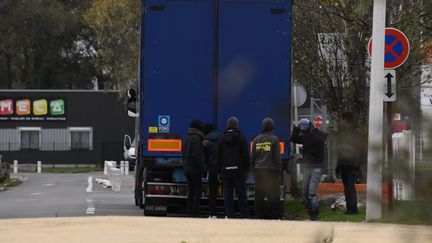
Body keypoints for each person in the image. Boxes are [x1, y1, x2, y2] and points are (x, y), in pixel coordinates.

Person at [290, 118, 327, 220]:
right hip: (308, 167)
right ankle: (311, 210)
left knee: (311, 193)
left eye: (304, 132)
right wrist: (296, 129)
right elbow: (293, 139)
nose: (304, 134)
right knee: (304, 191)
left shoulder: (318, 136)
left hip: (316, 167)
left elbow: (323, 137)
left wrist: (298, 130)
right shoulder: (306, 137)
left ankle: (315, 214)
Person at [217, 117, 250, 218]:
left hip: (226, 172)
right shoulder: (241, 137)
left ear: (228, 125)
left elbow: (219, 156)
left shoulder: (222, 138)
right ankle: (244, 215)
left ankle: (230, 215)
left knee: (228, 195)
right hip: (239, 172)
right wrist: (247, 169)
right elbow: (245, 155)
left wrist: (220, 171)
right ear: (237, 125)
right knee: (241, 195)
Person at [335, 111, 366, 215]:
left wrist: (357, 165)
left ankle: (353, 210)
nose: (340, 121)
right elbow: (341, 151)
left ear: (345, 120)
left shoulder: (357, 133)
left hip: (352, 165)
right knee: (347, 188)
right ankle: (350, 209)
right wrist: (338, 167)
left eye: (341, 119)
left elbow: (360, 150)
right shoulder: (343, 133)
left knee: (350, 187)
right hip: (344, 164)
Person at [251, 118, 282, 219]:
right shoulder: (274, 139)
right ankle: (274, 217)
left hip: (258, 171)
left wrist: (253, 170)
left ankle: (259, 217)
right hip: (270, 171)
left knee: (259, 196)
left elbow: (253, 157)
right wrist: (279, 172)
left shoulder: (256, 140)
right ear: (272, 127)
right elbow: (277, 158)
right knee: (273, 196)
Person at [183, 119, 207, 217]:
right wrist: (204, 167)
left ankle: (189, 211)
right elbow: (197, 155)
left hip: (187, 168)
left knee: (191, 192)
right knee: (198, 192)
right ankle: (195, 212)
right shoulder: (197, 138)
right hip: (195, 169)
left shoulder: (188, 138)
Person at [203, 123, 223, 218]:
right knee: (227, 190)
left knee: (212, 192)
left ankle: (212, 213)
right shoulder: (223, 137)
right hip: (223, 169)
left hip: (212, 168)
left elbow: (205, 156)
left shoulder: (206, 140)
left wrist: (205, 168)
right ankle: (227, 213)